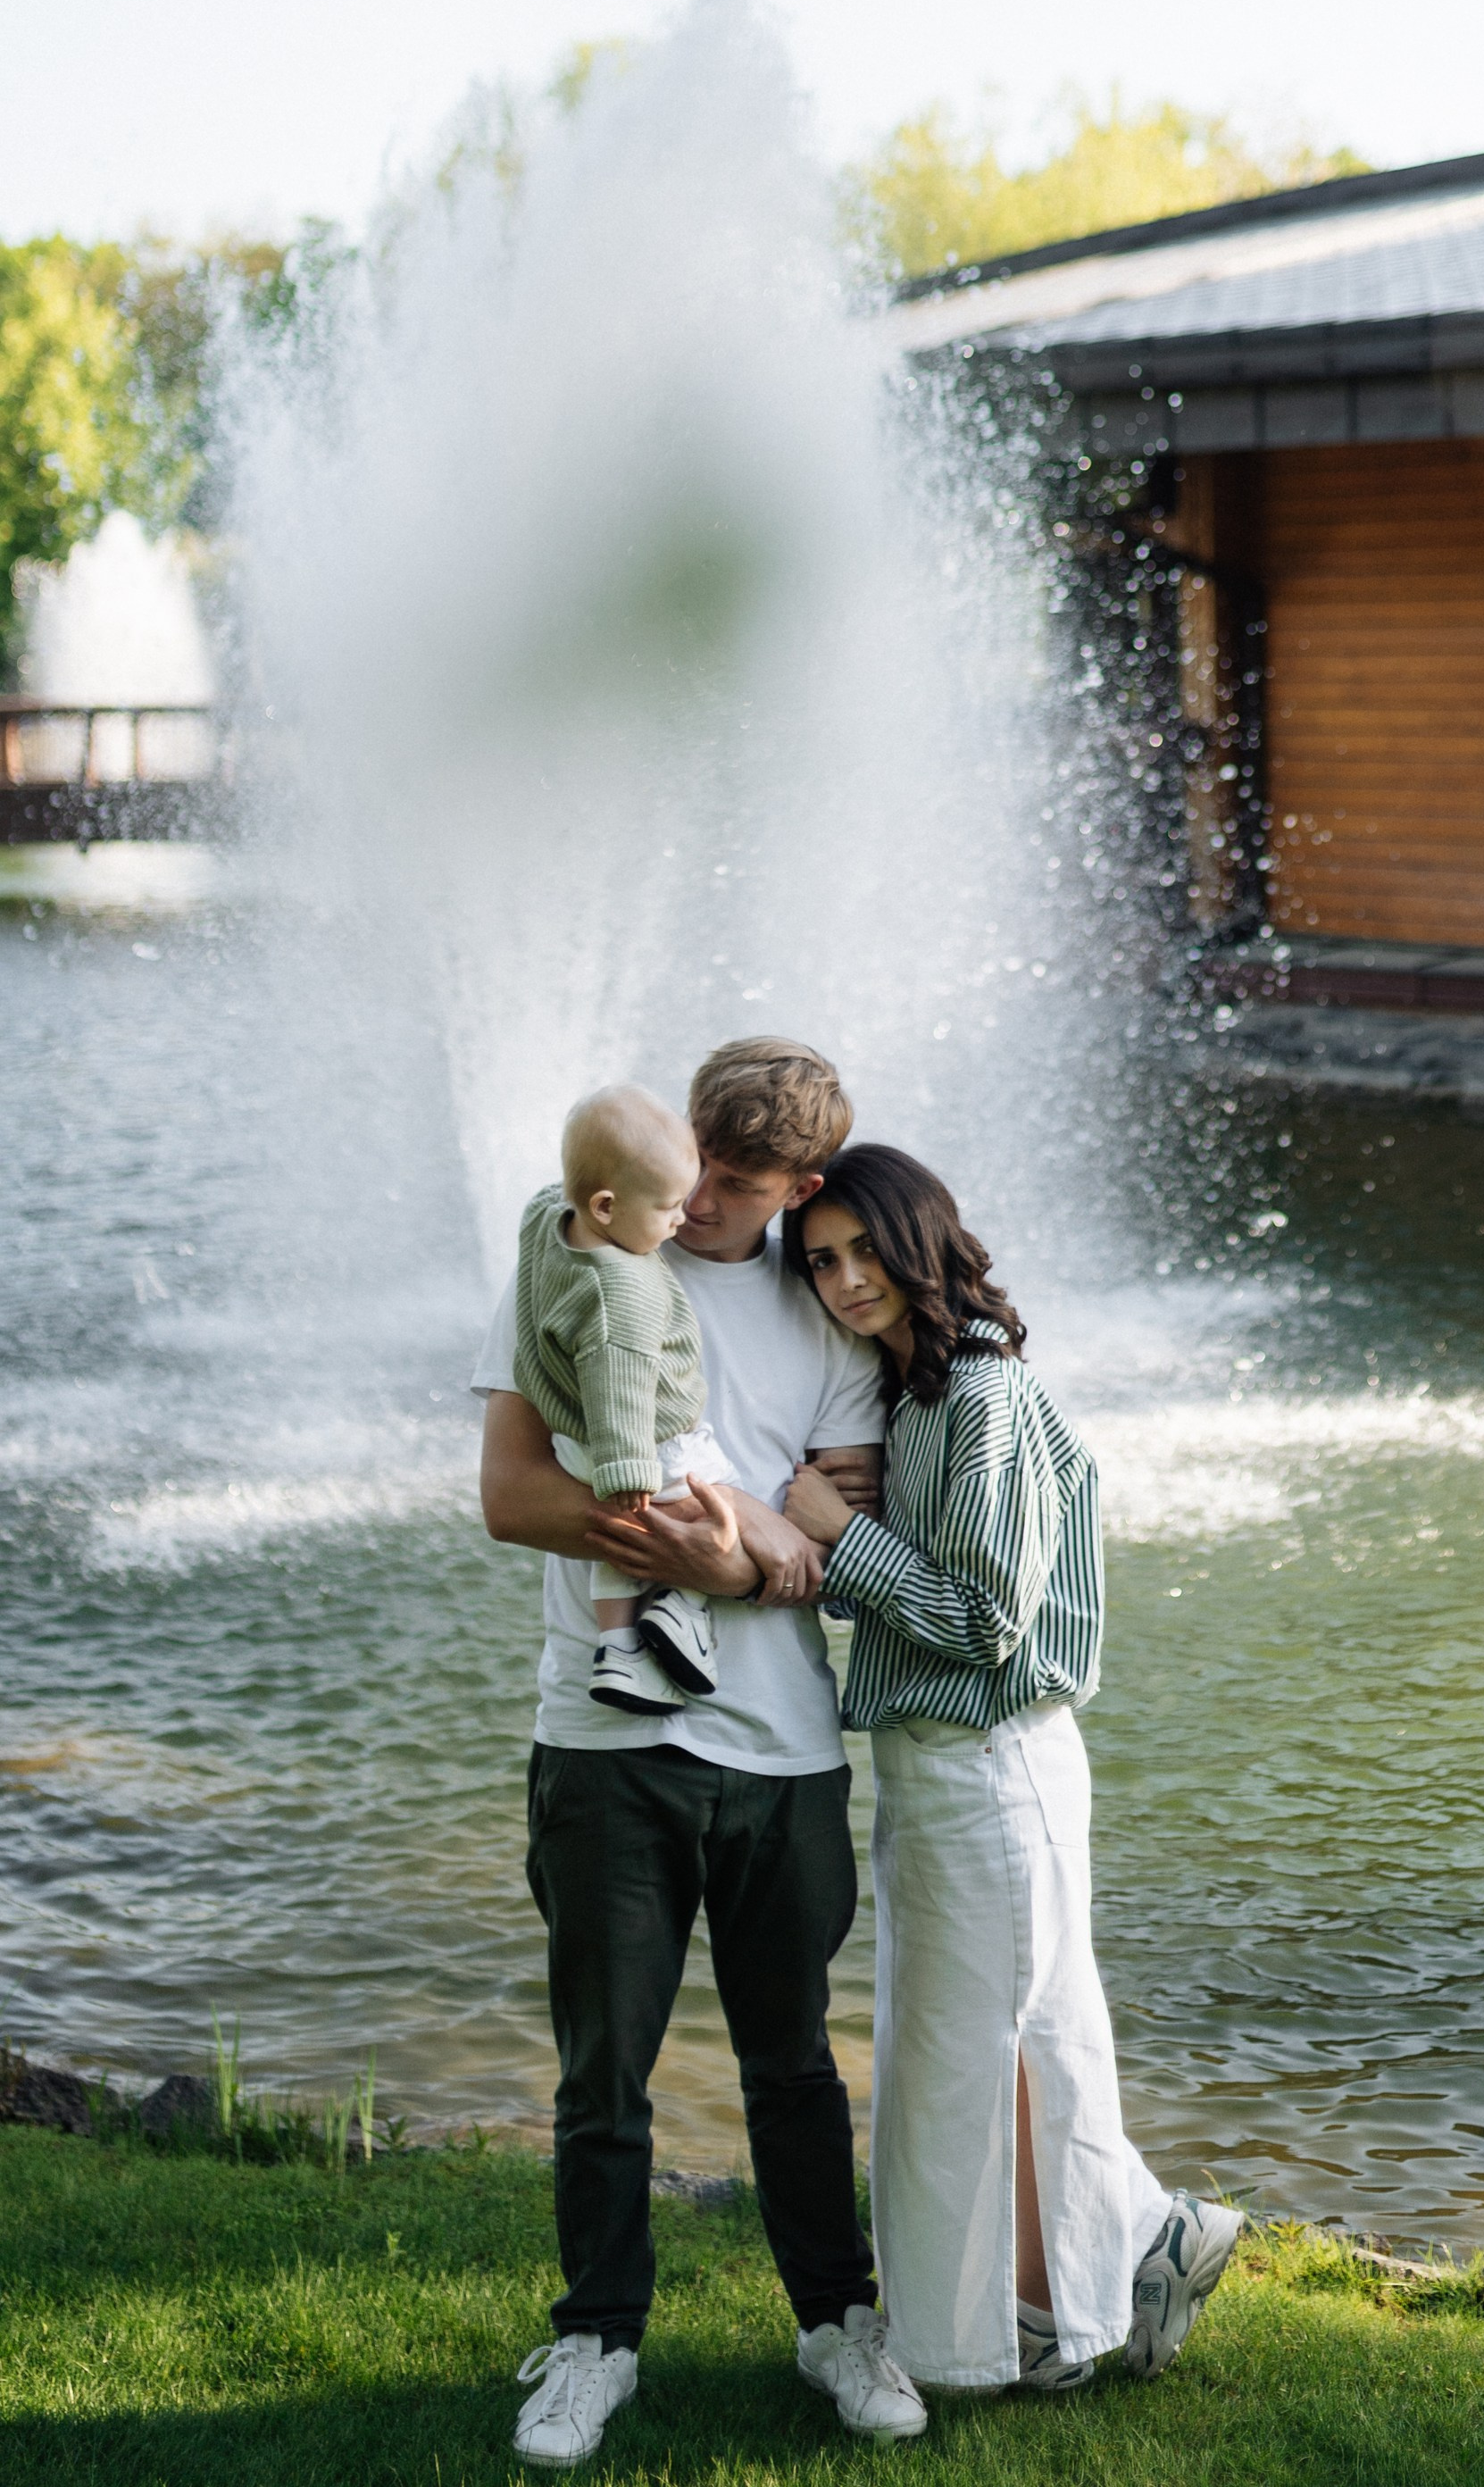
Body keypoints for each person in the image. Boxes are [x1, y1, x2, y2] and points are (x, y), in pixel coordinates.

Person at [476, 1039, 929, 2466]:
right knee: (602, 2071)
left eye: (740, 1184)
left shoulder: (833, 1316)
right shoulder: (575, 1253)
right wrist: (743, 1551)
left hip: (784, 1752)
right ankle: (595, 2342)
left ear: (800, 1184)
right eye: (699, 1167)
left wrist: (770, 1546)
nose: (705, 1203)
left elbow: (838, 1542)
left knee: (792, 2066)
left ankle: (837, 2322)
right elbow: (511, 1496)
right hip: (603, 1735)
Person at [784, 1144, 1244, 2399]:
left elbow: (985, 1620)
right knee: (992, 2055)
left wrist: (842, 1534)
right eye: (820, 1262)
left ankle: (1072, 2285)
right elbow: (931, 1594)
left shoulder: (981, 1394)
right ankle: (1074, 2290)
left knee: (983, 2058)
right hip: (944, 1768)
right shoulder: (924, 1397)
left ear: (918, 1239)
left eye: (863, 1250)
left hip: (990, 1763)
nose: (844, 1279)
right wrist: (863, 1518)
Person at [513, 1083, 728, 1713]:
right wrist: (628, 1469)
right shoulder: (623, 1292)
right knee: (713, 1498)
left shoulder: (547, 1215)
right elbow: (622, 1386)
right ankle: (683, 1606)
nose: (682, 1219)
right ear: (605, 1206)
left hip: (574, 1437)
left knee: (618, 1541)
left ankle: (618, 1650)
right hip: (643, 1444)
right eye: (668, 1207)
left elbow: (552, 1200)